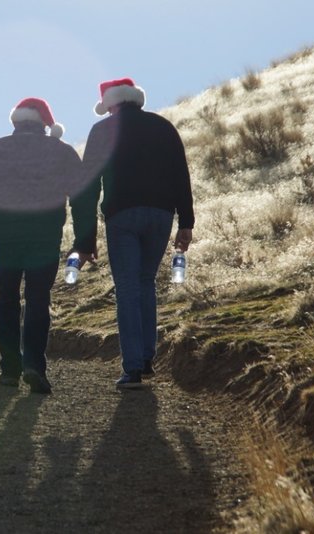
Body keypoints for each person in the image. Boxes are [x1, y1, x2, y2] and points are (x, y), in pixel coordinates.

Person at [74, 77, 195, 389]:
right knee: (145, 283)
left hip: (123, 216)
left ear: (111, 104)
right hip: (161, 215)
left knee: (127, 287)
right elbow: (180, 173)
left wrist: (85, 242)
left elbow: (86, 188)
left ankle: (132, 369)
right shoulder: (164, 127)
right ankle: (145, 357)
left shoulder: (102, 131)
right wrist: (186, 222)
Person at [0, 97, 86, 394]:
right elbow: (82, 195)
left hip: (6, 238)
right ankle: (34, 365)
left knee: (7, 300)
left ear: (15, 122)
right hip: (45, 237)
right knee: (38, 299)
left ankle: (9, 371)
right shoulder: (61, 151)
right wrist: (83, 240)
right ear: (45, 123)